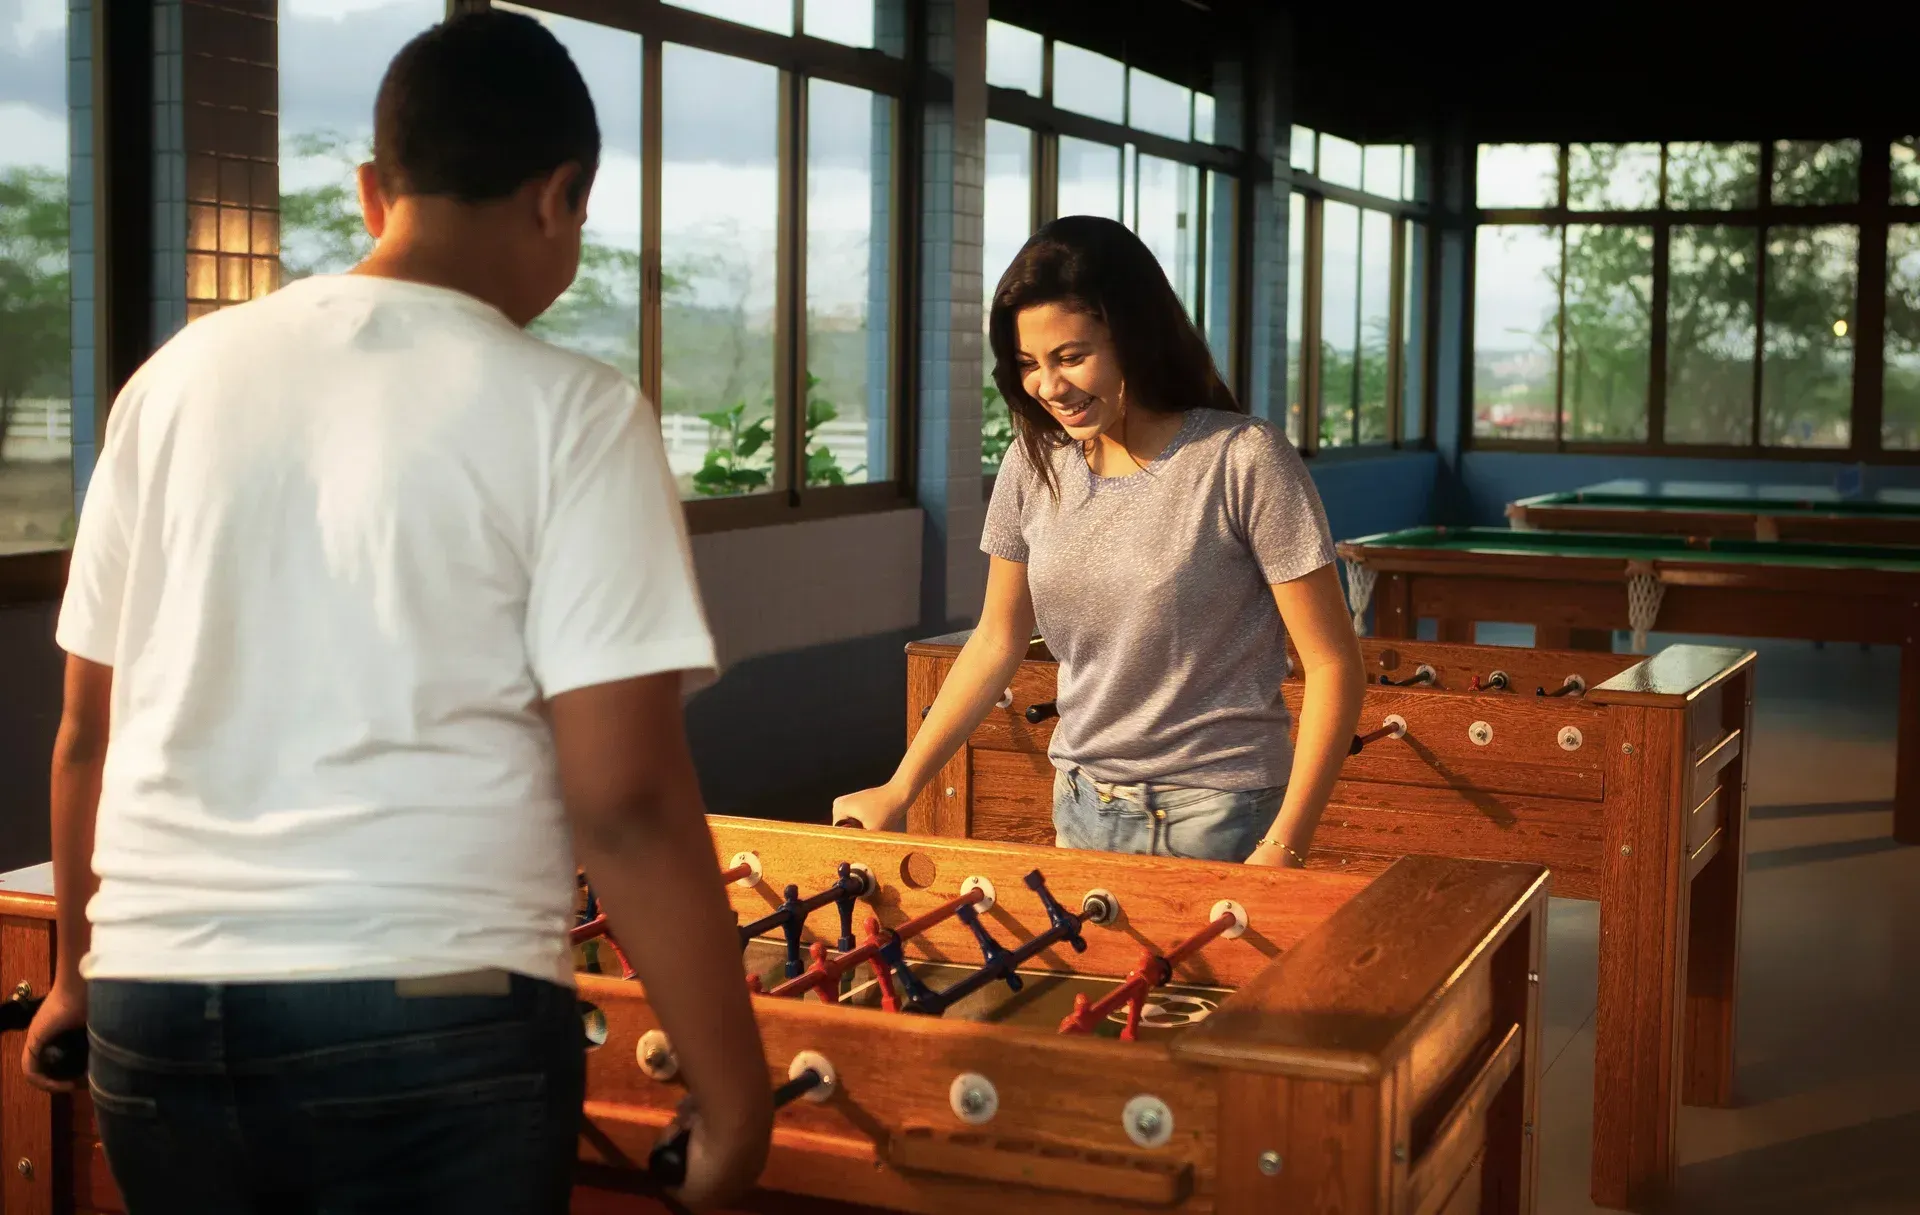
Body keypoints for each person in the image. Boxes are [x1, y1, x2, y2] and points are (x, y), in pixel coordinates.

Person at [21, 11, 770, 1212]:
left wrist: (74, 976)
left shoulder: (171, 385)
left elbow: (85, 735)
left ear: (373, 190)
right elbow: (624, 801)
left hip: (155, 1012)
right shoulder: (572, 413)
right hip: (430, 1013)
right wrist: (735, 1097)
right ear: (561, 196)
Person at [834, 216, 1365, 866]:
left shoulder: (1242, 457)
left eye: (1071, 356)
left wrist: (1286, 841)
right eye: (1029, 364)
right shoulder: (1033, 463)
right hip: (1080, 809)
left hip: (1220, 818)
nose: (1049, 386)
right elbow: (997, 639)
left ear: (1134, 337)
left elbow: (1335, 664)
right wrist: (900, 786)